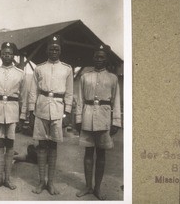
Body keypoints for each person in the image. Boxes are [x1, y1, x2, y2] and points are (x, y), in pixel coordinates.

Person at [28, 35, 73, 195]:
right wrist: (31, 112)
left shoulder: (67, 69)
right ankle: (41, 182)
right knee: (41, 146)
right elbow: (33, 91)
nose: (54, 51)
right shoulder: (39, 68)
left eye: (57, 49)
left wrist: (67, 112)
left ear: (60, 51)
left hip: (58, 110)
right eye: (51, 48)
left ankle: (51, 183)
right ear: (47, 50)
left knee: (53, 146)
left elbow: (69, 93)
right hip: (41, 108)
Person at [75, 45, 121, 200]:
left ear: (106, 59)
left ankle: (98, 188)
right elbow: (80, 100)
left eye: (102, 57)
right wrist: (78, 119)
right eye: (96, 56)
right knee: (88, 152)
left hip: (104, 118)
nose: (99, 59)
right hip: (87, 116)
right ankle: (88, 186)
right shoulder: (85, 77)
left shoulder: (113, 78)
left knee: (101, 154)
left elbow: (116, 102)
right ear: (93, 57)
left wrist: (116, 122)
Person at [0, 42, 27, 190]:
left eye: (9, 53)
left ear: (13, 55)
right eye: (4, 53)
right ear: (1, 54)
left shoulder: (20, 74)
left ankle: (7, 179)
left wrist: (22, 117)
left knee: (10, 145)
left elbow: (24, 98)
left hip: (12, 112)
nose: (6, 55)